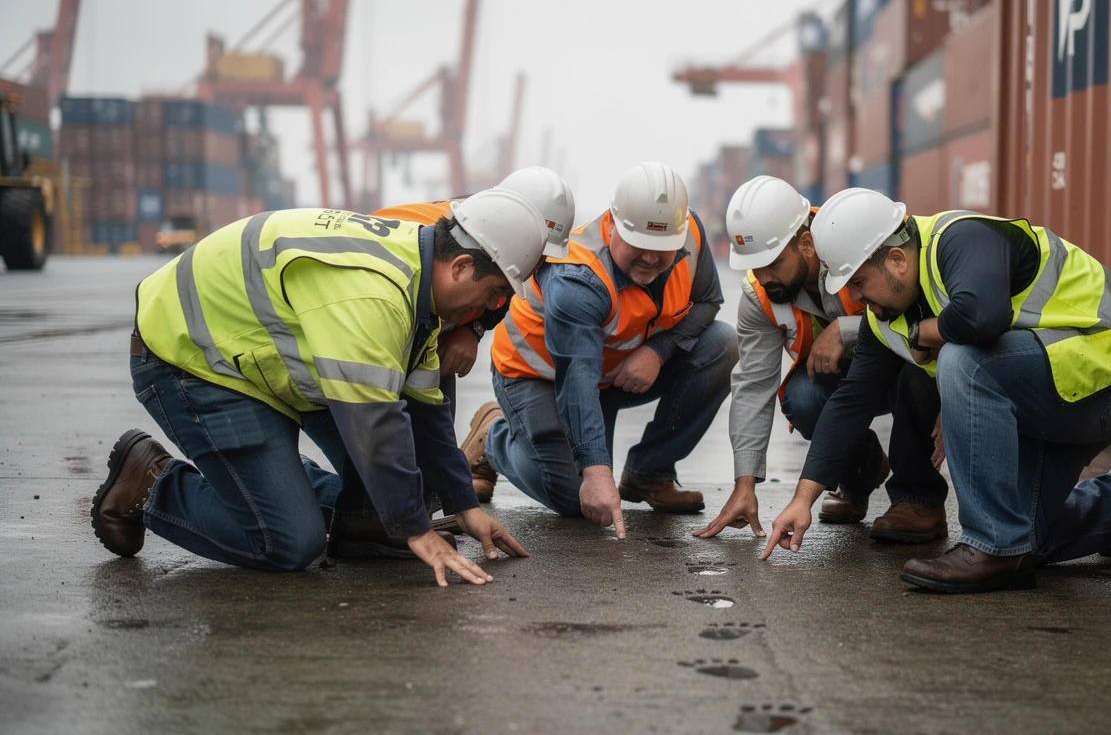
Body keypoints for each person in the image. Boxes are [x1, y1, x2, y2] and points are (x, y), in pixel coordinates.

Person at [92, 191, 549, 586]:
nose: (493, 308)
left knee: (383, 507)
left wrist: (465, 507)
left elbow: (425, 415)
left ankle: (289, 489)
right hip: (190, 360)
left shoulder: (418, 282)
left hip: (255, 366)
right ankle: (149, 482)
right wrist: (417, 531)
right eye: (493, 293)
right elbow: (372, 421)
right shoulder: (374, 294)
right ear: (461, 265)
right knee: (289, 542)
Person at [762, 190, 1111, 594]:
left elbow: (981, 317)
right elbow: (850, 403)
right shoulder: (882, 318)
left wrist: (925, 335)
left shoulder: (961, 238)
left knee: (963, 360)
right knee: (1027, 539)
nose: (855, 297)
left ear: (897, 260)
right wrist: (802, 500)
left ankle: (990, 545)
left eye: (860, 282)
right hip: (1055, 390)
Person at [467, 162, 736, 537]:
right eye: (639, 245)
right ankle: (493, 436)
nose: (651, 259)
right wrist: (595, 471)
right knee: (574, 498)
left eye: (663, 249)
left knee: (722, 345)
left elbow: (709, 301)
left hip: (616, 370)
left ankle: (648, 473)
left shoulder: (689, 231)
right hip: (539, 376)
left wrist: (658, 351)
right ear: (613, 224)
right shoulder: (577, 278)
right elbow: (577, 380)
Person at [695, 176, 945, 542]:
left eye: (774, 262)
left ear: (807, 243)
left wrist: (844, 329)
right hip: (853, 382)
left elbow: (922, 313)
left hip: (907, 362)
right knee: (803, 398)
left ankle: (917, 500)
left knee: (914, 374)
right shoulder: (761, 293)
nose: (763, 277)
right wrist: (744, 484)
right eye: (755, 265)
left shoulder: (856, 238)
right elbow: (752, 386)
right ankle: (860, 479)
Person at [373, 167, 575, 505]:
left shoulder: (496, 239)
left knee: (430, 476)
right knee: (388, 471)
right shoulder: (441, 232)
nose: (536, 265)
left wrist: (473, 329)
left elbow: (508, 285)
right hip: (381, 322)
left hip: (433, 329)